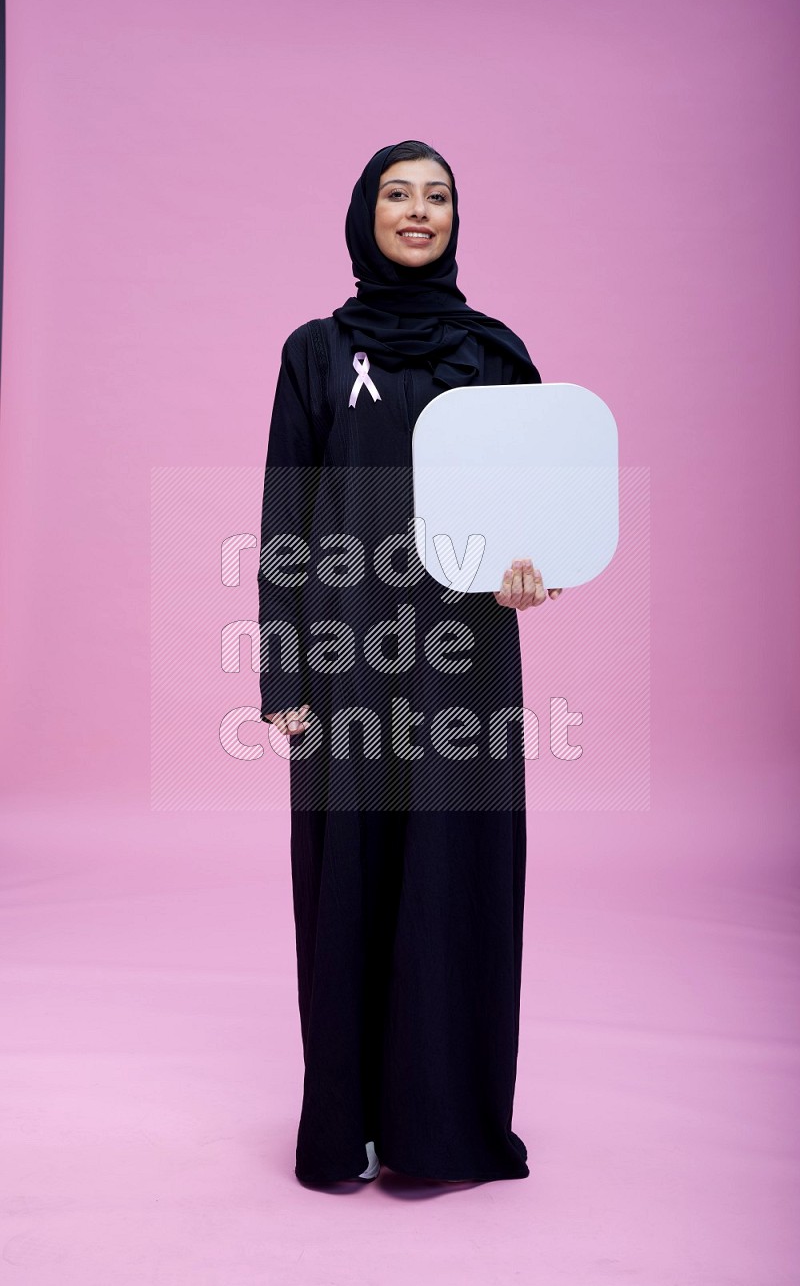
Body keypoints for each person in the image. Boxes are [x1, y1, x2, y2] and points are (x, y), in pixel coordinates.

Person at [257, 140, 562, 1186]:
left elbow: (539, 525)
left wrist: (534, 571)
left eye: (437, 196)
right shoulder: (312, 352)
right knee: (349, 887)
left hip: (463, 670)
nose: (418, 211)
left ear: (454, 220)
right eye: (398, 194)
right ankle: (349, 1129)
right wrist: (281, 678)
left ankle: (442, 1129)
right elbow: (284, 524)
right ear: (363, 213)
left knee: (449, 882)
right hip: (344, 667)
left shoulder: (491, 352)